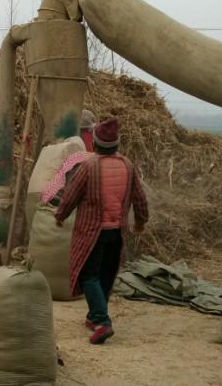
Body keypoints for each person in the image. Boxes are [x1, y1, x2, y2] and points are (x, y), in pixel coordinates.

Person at [54, 118, 148, 344]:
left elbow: (70, 196)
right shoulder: (127, 165)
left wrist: (60, 216)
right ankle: (93, 315)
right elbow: (139, 198)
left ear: (94, 144)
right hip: (117, 232)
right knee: (106, 273)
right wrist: (140, 222)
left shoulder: (89, 166)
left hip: (92, 232)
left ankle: (102, 321)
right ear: (116, 145)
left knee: (89, 274)